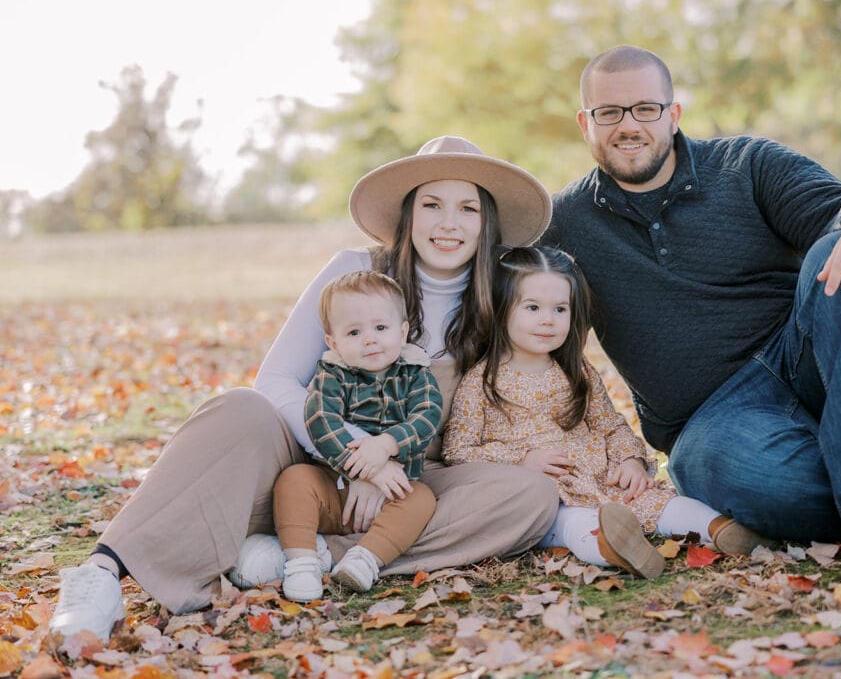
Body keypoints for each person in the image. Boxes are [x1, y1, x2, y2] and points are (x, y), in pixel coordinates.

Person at [540, 44, 841, 604]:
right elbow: (489, 288)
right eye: (609, 112)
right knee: (731, 475)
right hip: (716, 423)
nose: (629, 126)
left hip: (812, 358)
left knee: (839, 255)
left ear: (673, 116)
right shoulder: (564, 224)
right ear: (585, 124)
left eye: (646, 109)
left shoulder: (746, 163)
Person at [49, 136, 560, 642]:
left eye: (467, 208)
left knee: (531, 496)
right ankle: (101, 573)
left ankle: (301, 557)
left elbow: (540, 391)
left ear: (485, 222)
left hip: (413, 487)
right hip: (308, 462)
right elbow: (275, 381)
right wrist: (357, 457)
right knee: (239, 407)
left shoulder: (504, 296)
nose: (449, 223)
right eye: (432, 204)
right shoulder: (354, 272)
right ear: (408, 215)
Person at [443, 246, 772, 579]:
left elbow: (611, 426)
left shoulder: (577, 371)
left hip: (604, 480)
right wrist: (521, 461)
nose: (548, 319)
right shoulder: (481, 383)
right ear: (499, 310)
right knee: (576, 525)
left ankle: (721, 530)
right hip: (550, 498)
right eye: (532, 307)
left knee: (658, 502)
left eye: (560, 308)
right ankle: (617, 548)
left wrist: (630, 460)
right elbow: (457, 451)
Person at [272, 270, 441, 601]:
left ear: (403, 331)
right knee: (294, 480)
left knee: (421, 499)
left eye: (381, 328)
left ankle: (366, 558)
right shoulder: (332, 375)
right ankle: (302, 561)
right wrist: (361, 465)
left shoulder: (415, 374)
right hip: (332, 489)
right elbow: (320, 420)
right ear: (333, 342)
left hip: (392, 492)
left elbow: (428, 415)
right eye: (354, 331)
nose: (370, 339)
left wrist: (387, 445)